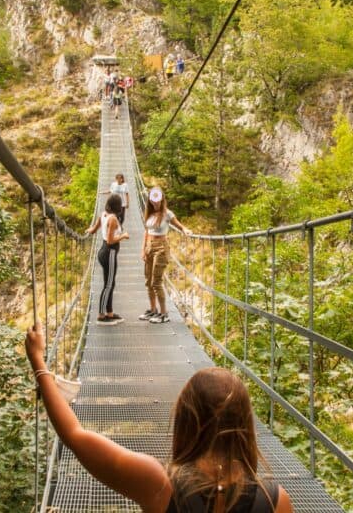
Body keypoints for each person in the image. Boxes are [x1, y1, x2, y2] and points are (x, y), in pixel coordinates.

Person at [25, 324, 294, 512]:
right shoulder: (275, 501)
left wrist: (38, 361)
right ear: (245, 426)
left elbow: (75, 435)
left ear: (186, 418)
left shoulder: (158, 484)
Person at [139, 186, 190, 324]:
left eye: (158, 200)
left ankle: (164, 314)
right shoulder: (149, 213)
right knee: (148, 281)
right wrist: (143, 250)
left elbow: (179, 225)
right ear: (150, 200)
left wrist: (184, 229)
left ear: (162, 200)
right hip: (149, 247)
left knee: (156, 281)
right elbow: (146, 232)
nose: (155, 203)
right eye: (153, 200)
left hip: (161, 247)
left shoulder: (167, 213)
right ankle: (153, 309)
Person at [87, 193, 129, 324]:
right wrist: (123, 236)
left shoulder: (103, 214)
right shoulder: (113, 219)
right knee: (108, 285)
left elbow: (93, 230)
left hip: (103, 252)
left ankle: (109, 313)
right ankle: (101, 315)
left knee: (110, 283)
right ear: (118, 206)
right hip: (109, 252)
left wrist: (87, 231)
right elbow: (111, 240)